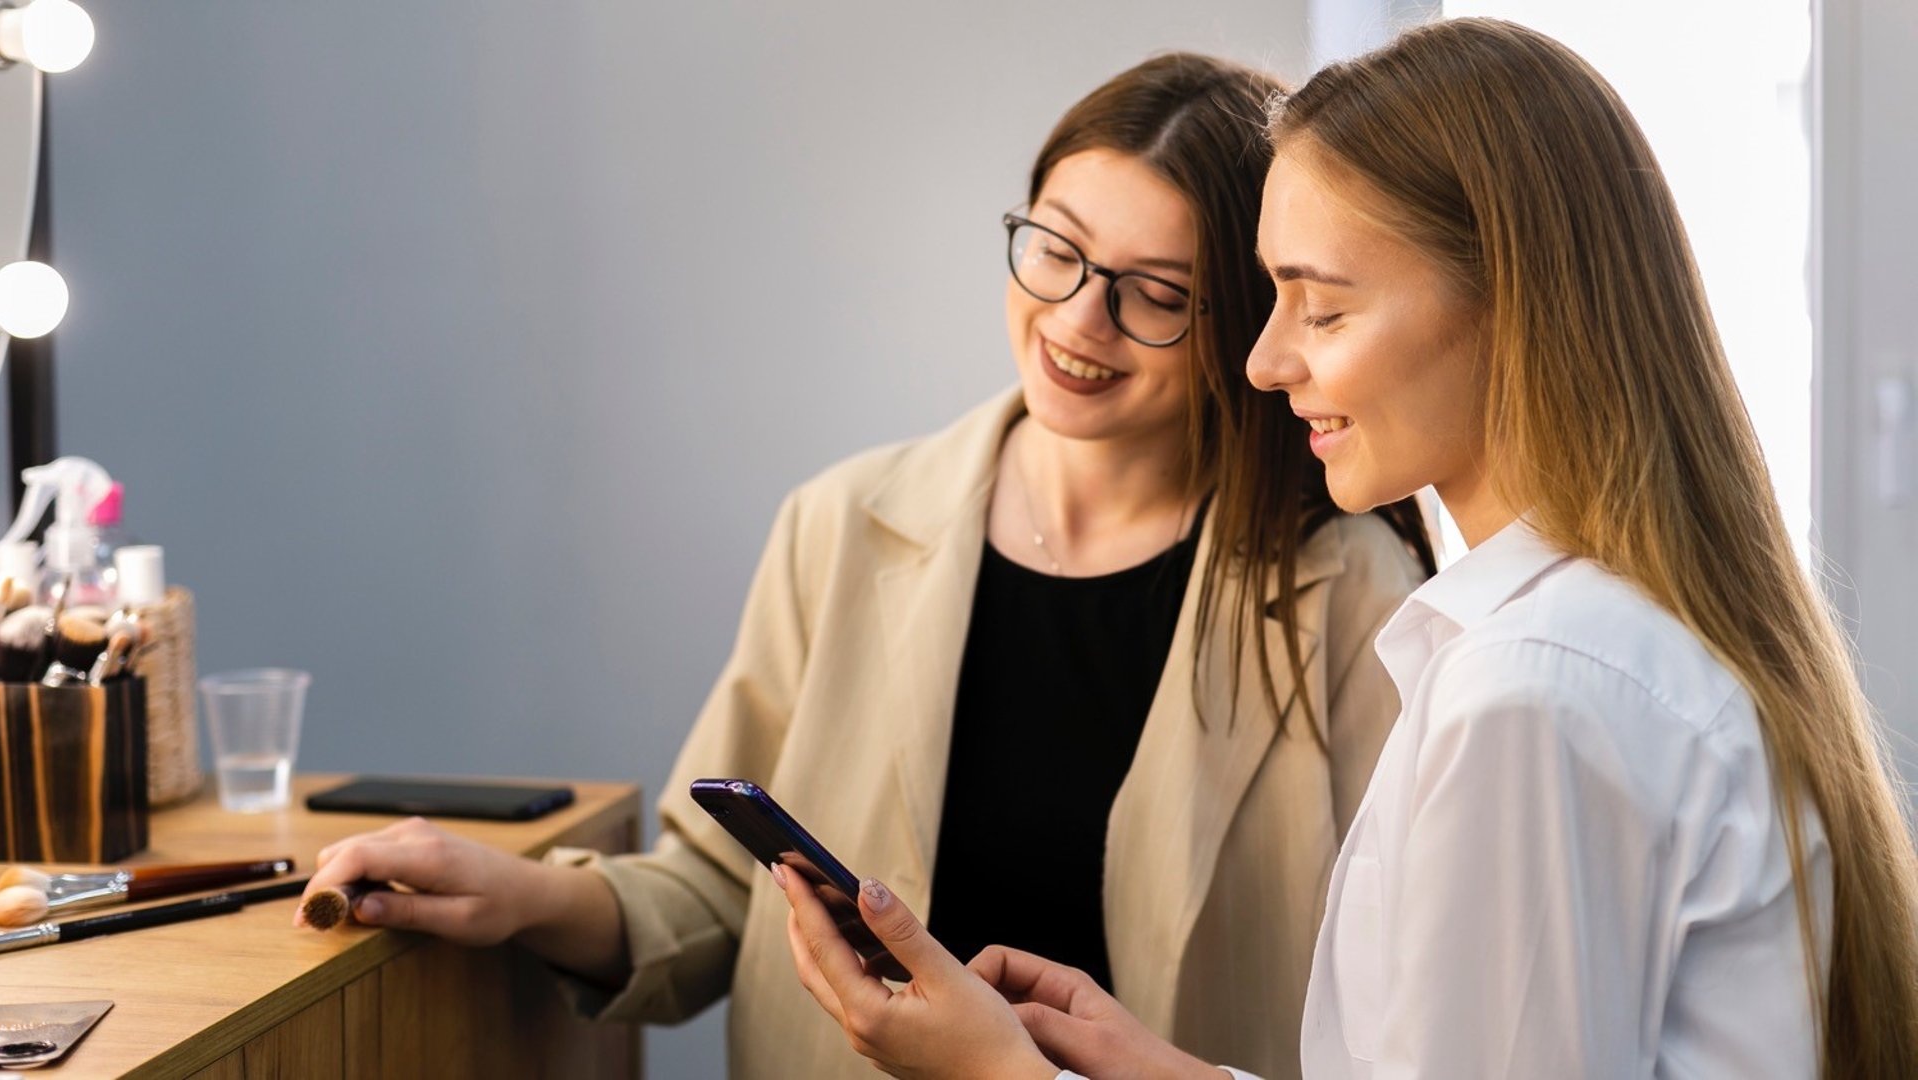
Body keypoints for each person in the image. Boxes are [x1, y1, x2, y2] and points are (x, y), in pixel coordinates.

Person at [776, 17, 1918, 1080]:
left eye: (1319, 310)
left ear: (1508, 309)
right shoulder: (1581, 645)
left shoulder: (1533, 696)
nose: (1265, 363)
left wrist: (1000, 1071)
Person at [298, 53, 1432, 1079]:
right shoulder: (842, 524)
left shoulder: (1353, 599)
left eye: (1157, 294)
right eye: (1056, 247)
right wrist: (526, 895)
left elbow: (1408, 1015)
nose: (1080, 319)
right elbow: (719, 890)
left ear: (1246, 319)